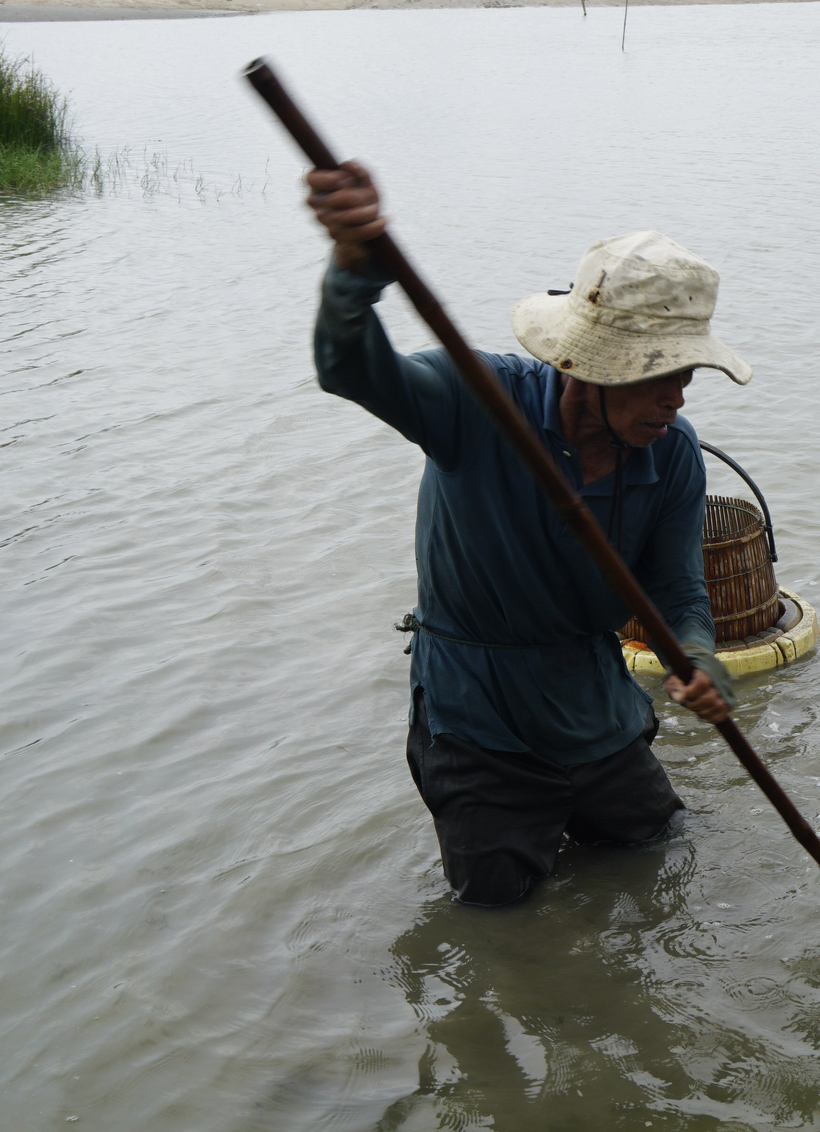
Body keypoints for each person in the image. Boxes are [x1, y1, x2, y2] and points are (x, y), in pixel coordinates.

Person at [304, 161, 745, 907]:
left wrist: (698, 656)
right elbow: (349, 367)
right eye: (657, 375)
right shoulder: (478, 402)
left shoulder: (673, 456)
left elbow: (673, 588)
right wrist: (352, 269)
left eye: (686, 377)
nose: (675, 398)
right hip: (480, 721)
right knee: (495, 916)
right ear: (594, 369)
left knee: (658, 858)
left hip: (595, 707)